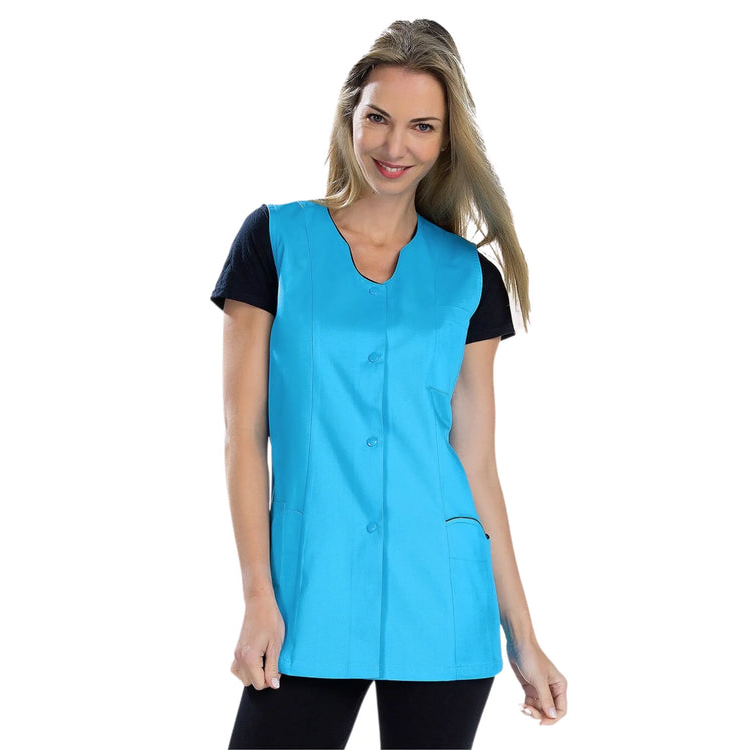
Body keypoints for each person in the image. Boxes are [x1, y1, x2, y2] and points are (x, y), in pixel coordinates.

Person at [210, 18, 567, 750]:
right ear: (350, 118)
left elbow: (476, 465)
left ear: (445, 141)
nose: (394, 145)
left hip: (442, 598)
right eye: (378, 118)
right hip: (308, 593)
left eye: (421, 127)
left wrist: (524, 637)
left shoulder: (469, 277)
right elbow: (244, 437)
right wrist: (257, 596)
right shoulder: (274, 241)